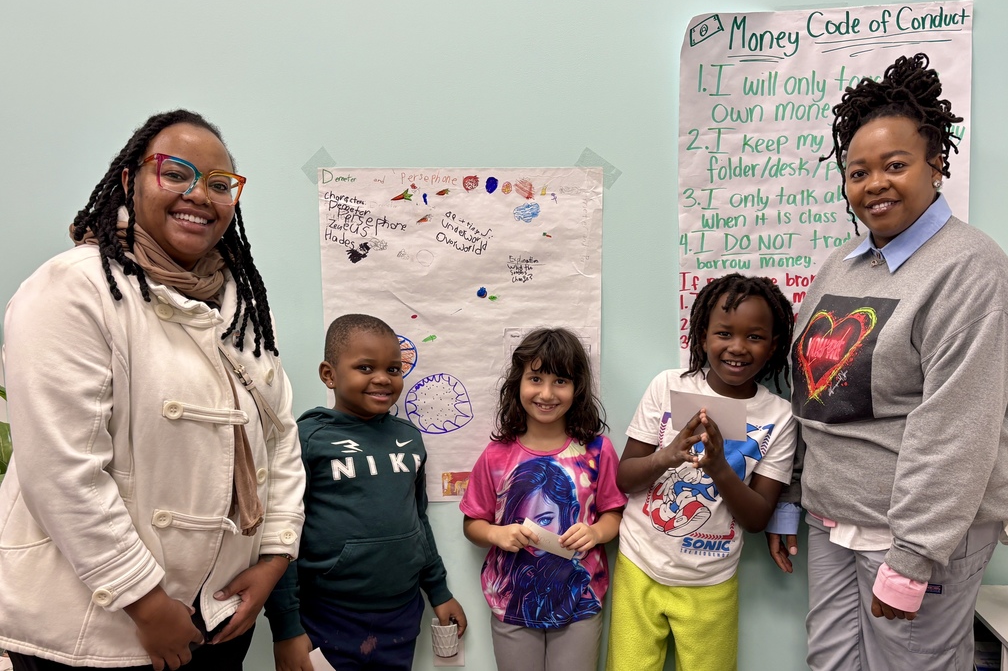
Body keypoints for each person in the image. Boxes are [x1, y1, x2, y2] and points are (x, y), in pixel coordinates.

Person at [0, 110, 306, 671]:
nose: (199, 195)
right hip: (95, 631)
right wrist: (143, 602)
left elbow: (280, 438)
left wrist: (275, 556)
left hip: (216, 618)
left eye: (219, 184)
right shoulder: (73, 289)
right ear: (128, 181)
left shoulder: (243, 309)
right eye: (175, 173)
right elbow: (61, 471)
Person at [766, 52, 1008, 671]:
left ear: (936, 163)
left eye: (895, 165)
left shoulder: (971, 271)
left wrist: (913, 556)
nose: (873, 183)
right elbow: (816, 394)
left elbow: (956, 430)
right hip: (836, 516)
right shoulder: (844, 264)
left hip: (918, 531)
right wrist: (790, 496)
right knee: (830, 661)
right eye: (858, 172)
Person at [607, 274, 797, 671]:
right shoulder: (667, 386)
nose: (737, 348)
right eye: (724, 333)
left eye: (755, 337)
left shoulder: (779, 417)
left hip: (711, 580)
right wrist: (669, 455)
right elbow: (624, 479)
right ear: (701, 336)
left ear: (774, 346)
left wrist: (719, 469)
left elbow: (757, 518)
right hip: (639, 565)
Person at [265, 313, 466, 671]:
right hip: (328, 616)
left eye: (393, 369)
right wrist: (286, 628)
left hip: (401, 615)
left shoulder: (409, 438)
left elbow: (417, 520)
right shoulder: (306, 440)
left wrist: (439, 591)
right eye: (365, 367)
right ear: (329, 374)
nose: (382, 379)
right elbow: (280, 537)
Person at [461, 327, 626, 671]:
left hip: (582, 601)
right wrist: (496, 534)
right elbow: (472, 523)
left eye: (560, 381)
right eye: (535, 378)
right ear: (518, 384)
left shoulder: (598, 451)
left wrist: (596, 533)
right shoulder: (496, 455)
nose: (547, 393)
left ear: (577, 388)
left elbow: (614, 515)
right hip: (510, 605)